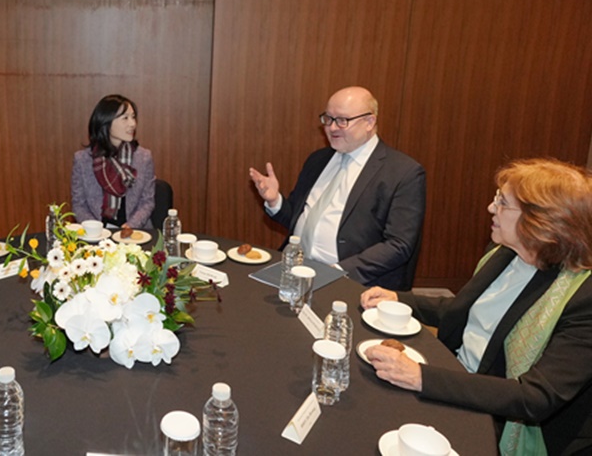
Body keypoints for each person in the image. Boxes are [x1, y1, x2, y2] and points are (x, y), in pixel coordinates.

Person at [362, 158, 592, 455]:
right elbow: (468, 309)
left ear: (542, 223)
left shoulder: (582, 298)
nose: (490, 208)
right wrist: (400, 298)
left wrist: (420, 377)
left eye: (503, 203)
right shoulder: (504, 253)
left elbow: (536, 396)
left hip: (504, 419)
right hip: (454, 375)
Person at [249, 86, 426, 289]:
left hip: (355, 281)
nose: (332, 128)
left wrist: (337, 271)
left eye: (342, 120)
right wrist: (275, 201)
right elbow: (298, 220)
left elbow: (399, 244)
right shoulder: (318, 160)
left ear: (369, 122)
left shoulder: (403, 172)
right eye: (328, 119)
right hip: (296, 270)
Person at [71, 94, 156, 230]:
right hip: (97, 233)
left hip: (135, 233)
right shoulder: (82, 160)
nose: (132, 124)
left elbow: (147, 202)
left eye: (133, 117)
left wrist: (130, 227)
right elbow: (79, 205)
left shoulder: (144, 157)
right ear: (106, 122)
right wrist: (96, 229)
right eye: (125, 118)